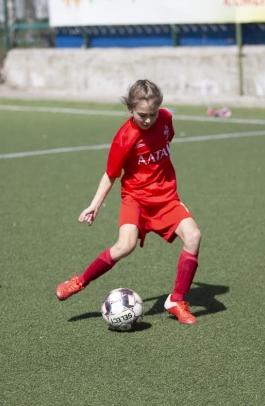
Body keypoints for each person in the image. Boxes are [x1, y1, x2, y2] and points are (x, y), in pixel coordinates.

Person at [55, 79, 202, 324]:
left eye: (152, 114)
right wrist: (95, 205)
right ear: (130, 110)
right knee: (125, 246)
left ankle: (176, 300)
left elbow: (164, 143)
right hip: (136, 199)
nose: (148, 120)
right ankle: (79, 282)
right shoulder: (125, 138)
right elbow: (110, 175)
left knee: (194, 236)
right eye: (142, 115)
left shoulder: (165, 119)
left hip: (166, 199)